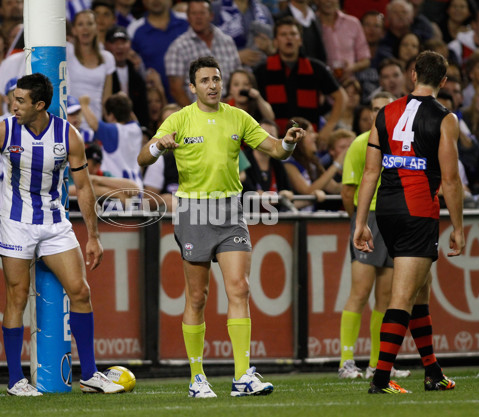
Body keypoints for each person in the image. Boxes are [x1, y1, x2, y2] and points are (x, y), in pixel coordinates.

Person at [137, 56, 305, 398]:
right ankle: (197, 377)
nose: (213, 85)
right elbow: (143, 158)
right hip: (193, 212)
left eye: (216, 79)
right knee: (197, 296)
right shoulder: (179, 119)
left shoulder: (238, 117)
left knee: (240, 288)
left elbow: (275, 150)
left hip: (231, 211)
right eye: (205, 80)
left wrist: (287, 142)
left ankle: (242, 376)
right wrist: (158, 145)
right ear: (192, 87)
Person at [0, 73, 123, 396]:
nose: (13, 105)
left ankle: (91, 374)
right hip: (15, 222)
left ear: (40, 105)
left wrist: (93, 235)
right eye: (14, 98)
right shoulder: (3, 130)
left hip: (54, 223)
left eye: (21, 100)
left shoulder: (68, 136)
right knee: (17, 296)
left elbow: (83, 187)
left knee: (80, 291)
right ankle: (15, 380)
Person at [353, 51, 464, 394]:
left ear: (413, 74)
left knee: (420, 291)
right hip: (418, 211)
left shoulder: (385, 112)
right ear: (443, 82)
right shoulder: (445, 119)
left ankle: (432, 371)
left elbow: (370, 171)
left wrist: (361, 222)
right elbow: (450, 181)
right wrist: (458, 228)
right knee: (401, 297)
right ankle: (381, 379)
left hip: (385, 210)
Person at [338, 91, 411, 380]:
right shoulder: (359, 144)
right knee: (359, 292)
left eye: (384, 108)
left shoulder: (402, 144)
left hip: (393, 220)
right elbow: (347, 192)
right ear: (369, 114)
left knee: (385, 297)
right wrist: (359, 220)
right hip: (368, 219)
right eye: (374, 108)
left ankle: (378, 364)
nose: (378, 113)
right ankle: (346, 361)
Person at [254, 16, 345, 142]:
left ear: (300, 40)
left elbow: (341, 97)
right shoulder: (261, 71)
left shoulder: (316, 68)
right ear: (275, 41)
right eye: (283, 34)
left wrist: (328, 128)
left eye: (293, 34)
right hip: (274, 140)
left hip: (307, 140)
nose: (289, 38)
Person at [165, 0, 241, 107]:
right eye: (194, 13)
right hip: (196, 113)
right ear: (188, 17)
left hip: (229, 110)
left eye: (202, 13)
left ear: (211, 16)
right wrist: (195, 116)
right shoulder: (178, 47)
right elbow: (176, 89)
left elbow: (238, 76)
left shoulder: (227, 41)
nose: (198, 17)